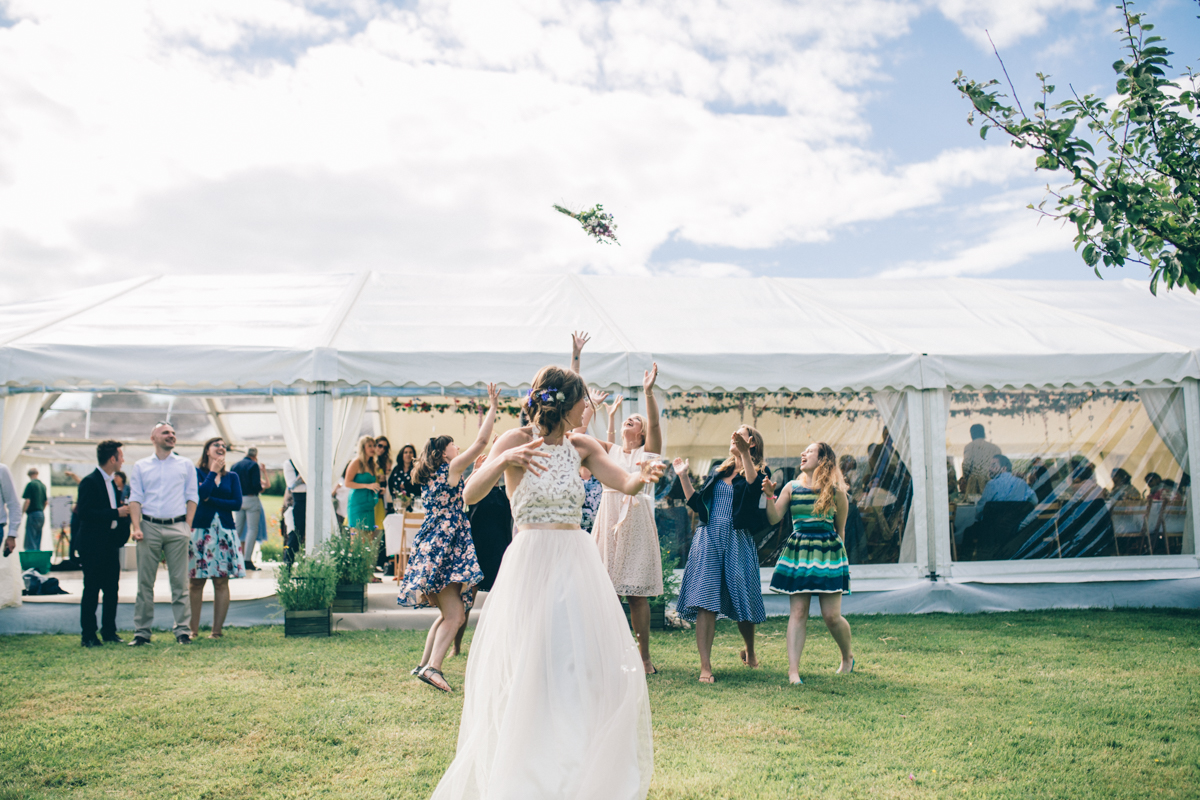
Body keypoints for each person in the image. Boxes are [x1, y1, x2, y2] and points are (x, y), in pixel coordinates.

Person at [441, 364, 663, 800]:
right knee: (530, 662)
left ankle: (573, 762)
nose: (587, 408)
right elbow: (468, 493)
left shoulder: (581, 445)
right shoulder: (515, 440)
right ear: (564, 403)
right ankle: (527, 765)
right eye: (582, 400)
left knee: (574, 663)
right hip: (529, 561)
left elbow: (623, 481)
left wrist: (643, 477)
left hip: (575, 563)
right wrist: (503, 459)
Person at [398, 386, 499, 690]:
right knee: (454, 616)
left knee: (447, 614)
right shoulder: (451, 466)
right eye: (454, 445)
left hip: (436, 545)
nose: (458, 448)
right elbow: (481, 441)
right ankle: (433, 667)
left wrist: (475, 472)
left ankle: (423, 665)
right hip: (446, 546)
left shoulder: (436, 474)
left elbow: (458, 496)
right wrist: (492, 406)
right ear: (445, 452)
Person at [672, 426, 770, 684]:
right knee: (705, 600)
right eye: (733, 434)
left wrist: (744, 455)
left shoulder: (760, 472)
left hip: (736, 539)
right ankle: (706, 666)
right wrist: (683, 477)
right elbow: (698, 504)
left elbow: (751, 489)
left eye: (740, 434)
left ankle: (749, 649)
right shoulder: (719, 471)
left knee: (743, 601)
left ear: (751, 443)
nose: (733, 436)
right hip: (709, 538)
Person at [590, 363, 664, 675]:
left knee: (635, 595)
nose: (627, 421)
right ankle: (606, 655)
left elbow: (657, 426)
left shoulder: (647, 455)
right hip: (608, 521)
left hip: (636, 523)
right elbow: (583, 437)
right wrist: (593, 408)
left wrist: (647, 393)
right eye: (626, 420)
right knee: (605, 593)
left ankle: (644, 657)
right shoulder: (609, 451)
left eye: (634, 420)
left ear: (642, 432)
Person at [763, 442, 854, 684]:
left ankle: (847, 657)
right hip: (800, 552)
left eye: (809, 451)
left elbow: (841, 530)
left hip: (828, 554)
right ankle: (794, 672)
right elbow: (773, 518)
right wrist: (769, 496)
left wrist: (841, 565)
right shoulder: (791, 487)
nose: (802, 454)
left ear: (823, 459)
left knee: (831, 616)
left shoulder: (836, 491)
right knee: (799, 612)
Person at [128, 422, 199, 646]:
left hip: (177, 527)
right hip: (148, 527)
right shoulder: (140, 466)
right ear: (153, 437)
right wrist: (136, 527)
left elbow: (192, 496)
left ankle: (183, 632)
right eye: (166, 432)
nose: (171, 436)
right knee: (145, 583)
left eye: (173, 433)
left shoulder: (185, 464)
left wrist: (187, 525)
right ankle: (142, 632)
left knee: (179, 582)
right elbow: (135, 498)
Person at [75, 440, 131, 647]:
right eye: (121, 456)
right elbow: (85, 513)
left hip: (109, 544)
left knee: (111, 589)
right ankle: (88, 634)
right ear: (112, 459)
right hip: (92, 544)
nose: (123, 460)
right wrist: (116, 512)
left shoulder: (113, 483)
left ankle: (109, 631)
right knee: (91, 589)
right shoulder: (90, 482)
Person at [188, 437, 245, 639]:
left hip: (224, 533)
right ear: (207, 451)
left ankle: (216, 631)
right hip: (201, 531)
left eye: (223, 446)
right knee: (196, 582)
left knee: (221, 581)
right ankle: (192, 630)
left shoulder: (232, 477)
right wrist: (212, 473)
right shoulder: (196, 473)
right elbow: (198, 494)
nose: (221, 448)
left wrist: (210, 500)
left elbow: (236, 504)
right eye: (216, 445)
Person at [231, 447, 264, 570]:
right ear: (255, 455)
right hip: (251, 498)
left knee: (237, 528)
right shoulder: (253, 465)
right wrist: (260, 488)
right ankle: (247, 559)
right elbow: (256, 484)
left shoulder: (235, 465)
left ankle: (231, 555)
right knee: (252, 529)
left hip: (238, 499)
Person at [977, 455, 1036, 519]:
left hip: (995, 525)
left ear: (1004, 468)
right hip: (1016, 525)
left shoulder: (991, 484)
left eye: (993, 466)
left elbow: (979, 510)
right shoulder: (1021, 483)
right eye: (990, 466)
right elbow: (1034, 500)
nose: (989, 469)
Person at [344, 436, 380, 531]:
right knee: (357, 538)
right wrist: (367, 486)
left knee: (369, 537)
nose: (373, 448)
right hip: (357, 503)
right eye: (369, 446)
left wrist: (377, 488)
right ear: (363, 447)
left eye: (374, 446)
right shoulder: (356, 462)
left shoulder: (372, 464)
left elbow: (371, 484)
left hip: (369, 504)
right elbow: (347, 483)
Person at [962, 424, 1001, 495]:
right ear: (983, 433)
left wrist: (966, 478)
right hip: (992, 484)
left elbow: (966, 465)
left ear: (972, 434)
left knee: (975, 503)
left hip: (975, 485)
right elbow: (1000, 468)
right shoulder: (995, 448)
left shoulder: (970, 447)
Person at [283, 458, 306, 563]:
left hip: (314, 499)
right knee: (296, 535)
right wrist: (302, 479)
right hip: (300, 500)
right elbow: (292, 486)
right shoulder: (290, 464)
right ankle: (287, 565)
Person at [388, 444, 419, 513]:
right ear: (402, 455)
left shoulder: (416, 470)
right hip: (398, 506)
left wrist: (407, 486)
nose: (408, 454)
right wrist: (395, 495)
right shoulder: (396, 469)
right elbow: (390, 483)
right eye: (406, 452)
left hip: (412, 506)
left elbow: (418, 486)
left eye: (410, 452)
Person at [21, 467, 47, 551]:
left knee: (30, 539)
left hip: (33, 513)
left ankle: (31, 561)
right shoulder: (43, 485)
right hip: (41, 514)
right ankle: (37, 559)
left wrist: (22, 512)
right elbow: (46, 502)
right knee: (37, 538)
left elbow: (27, 501)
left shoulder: (31, 484)